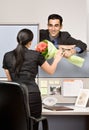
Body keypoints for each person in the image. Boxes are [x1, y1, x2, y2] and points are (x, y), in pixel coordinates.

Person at [2, 28, 63, 130]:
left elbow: (10, 82)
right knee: (32, 125)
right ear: (30, 42)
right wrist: (56, 60)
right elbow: (51, 71)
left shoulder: (7, 56)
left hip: (14, 99)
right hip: (32, 97)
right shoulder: (36, 55)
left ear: (18, 40)